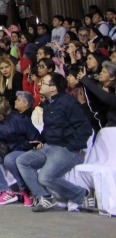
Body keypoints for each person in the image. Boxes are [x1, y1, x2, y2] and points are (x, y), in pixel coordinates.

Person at [17, 72, 96, 212]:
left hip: (66, 149)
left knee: (45, 177)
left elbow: (85, 130)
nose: (40, 85)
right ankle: (44, 196)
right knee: (22, 160)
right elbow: (48, 129)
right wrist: (40, 141)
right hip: (48, 147)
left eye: (44, 83)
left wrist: (70, 147)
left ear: (53, 88)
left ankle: (82, 194)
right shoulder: (47, 104)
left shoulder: (69, 103)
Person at [0, 95, 39, 206]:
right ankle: (5, 190)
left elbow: (33, 137)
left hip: (22, 148)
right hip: (4, 148)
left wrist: (20, 146)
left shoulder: (19, 119)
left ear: (0, 114)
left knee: (9, 160)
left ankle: (26, 191)